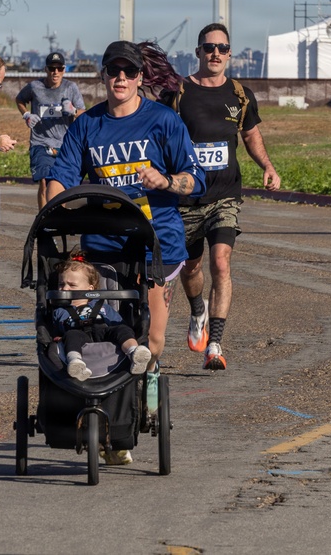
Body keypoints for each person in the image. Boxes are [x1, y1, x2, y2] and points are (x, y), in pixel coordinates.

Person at [46, 40, 205, 428]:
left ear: (139, 77)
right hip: (103, 246)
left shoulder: (163, 120)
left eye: (129, 71)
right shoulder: (88, 124)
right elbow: (61, 178)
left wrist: (166, 181)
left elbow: (195, 179)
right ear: (103, 75)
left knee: (152, 340)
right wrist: (54, 208)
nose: (121, 78)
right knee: (100, 331)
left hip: (157, 244)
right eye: (113, 71)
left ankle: (144, 394)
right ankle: (109, 414)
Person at [169, 23, 281, 371]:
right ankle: (197, 310)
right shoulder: (179, 92)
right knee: (191, 267)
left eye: (222, 48)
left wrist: (267, 166)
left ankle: (215, 344)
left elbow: (251, 135)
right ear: (198, 52)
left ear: (230, 54)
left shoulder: (240, 94)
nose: (215, 53)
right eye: (209, 47)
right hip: (187, 198)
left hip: (225, 195)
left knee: (221, 262)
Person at [52, 253, 152, 382]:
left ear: (90, 288)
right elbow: (54, 331)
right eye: (61, 284)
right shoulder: (60, 310)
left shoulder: (103, 306)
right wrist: (59, 336)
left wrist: (122, 330)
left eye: (72, 285)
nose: (65, 289)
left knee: (122, 329)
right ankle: (75, 362)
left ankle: (134, 353)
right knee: (71, 335)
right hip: (78, 335)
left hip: (103, 331)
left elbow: (119, 324)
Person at [16, 52, 86, 208]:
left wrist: (73, 111)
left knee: (59, 184)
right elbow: (19, 99)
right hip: (40, 142)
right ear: (46, 69)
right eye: (52, 68)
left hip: (64, 143)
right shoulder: (35, 87)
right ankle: (43, 218)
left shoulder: (70, 88)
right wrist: (26, 115)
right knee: (44, 182)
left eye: (59, 69)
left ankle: (58, 217)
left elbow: (83, 112)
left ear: (64, 70)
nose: (55, 72)